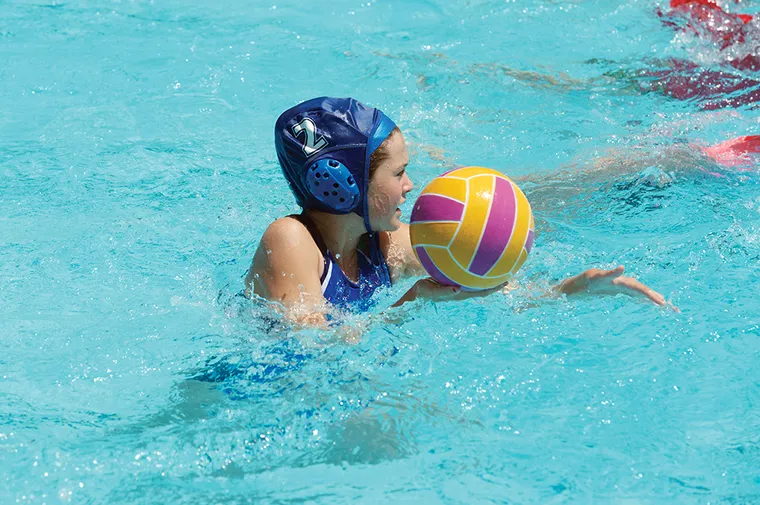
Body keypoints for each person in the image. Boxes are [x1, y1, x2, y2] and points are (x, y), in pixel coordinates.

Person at [244, 97, 668, 328]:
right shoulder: (290, 239)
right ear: (342, 183)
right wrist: (409, 304)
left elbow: (477, 285)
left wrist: (570, 290)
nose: (410, 185)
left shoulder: (388, 244)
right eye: (399, 172)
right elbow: (311, 350)